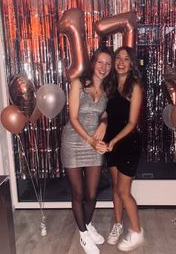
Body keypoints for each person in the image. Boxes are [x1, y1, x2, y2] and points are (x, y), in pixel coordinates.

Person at [61, 47, 113, 254]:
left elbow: (104, 112)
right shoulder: (78, 84)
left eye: (108, 64)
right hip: (74, 142)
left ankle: (88, 224)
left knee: (92, 194)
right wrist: (90, 141)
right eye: (100, 62)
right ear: (93, 63)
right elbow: (73, 118)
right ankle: (83, 233)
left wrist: (104, 123)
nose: (104, 67)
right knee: (78, 192)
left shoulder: (107, 90)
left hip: (94, 142)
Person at [104, 46, 144, 252]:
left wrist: (114, 141)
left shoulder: (135, 87)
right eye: (118, 58)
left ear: (131, 64)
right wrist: (102, 135)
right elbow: (105, 116)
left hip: (128, 143)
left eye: (126, 59)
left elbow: (131, 123)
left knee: (123, 191)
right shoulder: (109, 86)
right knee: (115, 188)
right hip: (111, 144)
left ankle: (137, 232)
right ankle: (118, 225)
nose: (120, 62)